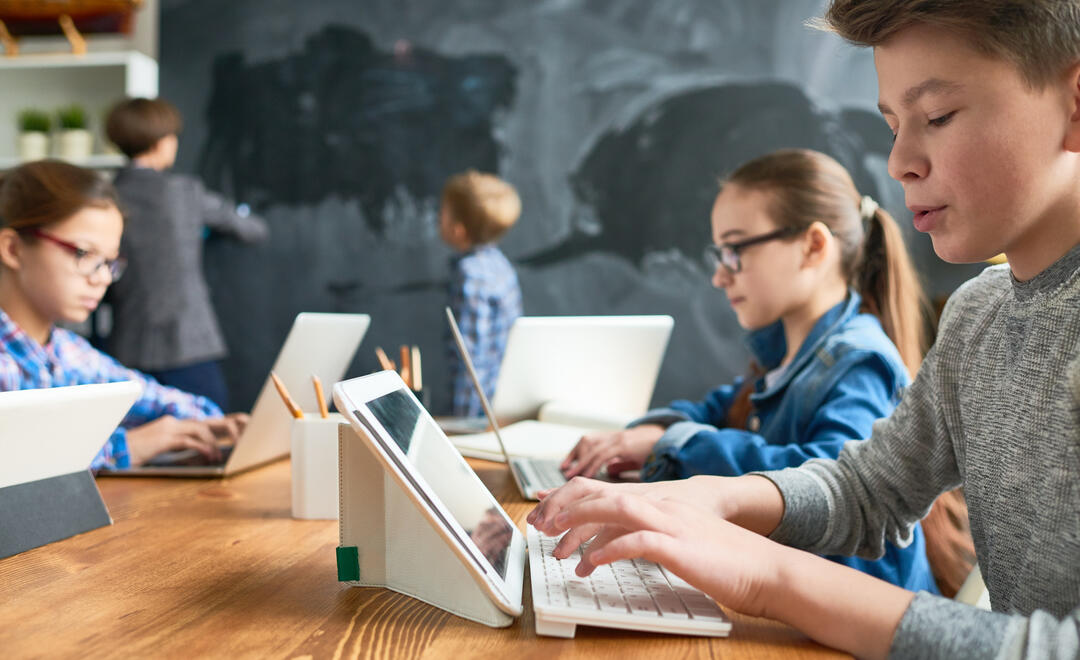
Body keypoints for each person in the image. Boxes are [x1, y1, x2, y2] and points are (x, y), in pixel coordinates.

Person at [528, 1, 1080, 658]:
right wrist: (708, 500)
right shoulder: (979, 314)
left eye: (937, 117)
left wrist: (764, 574)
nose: (900, 160)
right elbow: (869, 489)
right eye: (893, 124)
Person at [560, 148, 937, 592]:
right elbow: (716, 410)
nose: (720, 276)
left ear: (814, 246)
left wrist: (673, 444)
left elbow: (830, 482)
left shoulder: (858, 361)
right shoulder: (787, 353)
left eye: (735, 249)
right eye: (718, 254)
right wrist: (649, 437)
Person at [0, 160, 246, 469]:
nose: (102, 278)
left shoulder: (68, 351)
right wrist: (128, 446)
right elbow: (15, 466)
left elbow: (150, 398)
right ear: (12, 249)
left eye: (109, 262)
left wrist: (217, 425)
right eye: (84, 254)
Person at [104, 97, 268, 411]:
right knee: (210, 431)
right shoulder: (184, 191)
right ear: (162, 142)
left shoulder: (108, 194)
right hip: (188, 341)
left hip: (127, 342)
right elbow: (252, 230)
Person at [440, 170, 522, 417]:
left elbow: (471, 361)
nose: (438, 220)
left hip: (478, 414)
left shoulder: (471, 276)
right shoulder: (500, 265)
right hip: (503, 404)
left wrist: (463, 426)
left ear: (459, 229)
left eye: (441, 214)